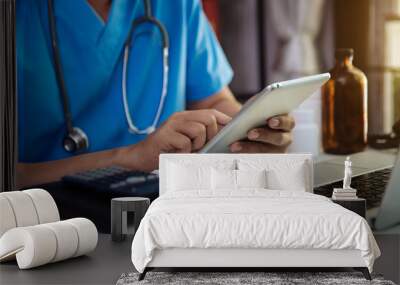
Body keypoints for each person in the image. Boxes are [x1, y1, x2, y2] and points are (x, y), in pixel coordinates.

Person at [16, 0, 295, 188]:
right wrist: (128, 158)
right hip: (48, 223)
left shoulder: (176, 5)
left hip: (165, 208)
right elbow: (13, 176)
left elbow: (214, 101)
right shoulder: (16, 13)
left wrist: (251, 127)